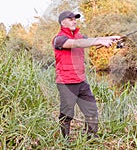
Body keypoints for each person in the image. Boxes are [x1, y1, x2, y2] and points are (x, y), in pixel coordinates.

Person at [52, 10, 121, 139]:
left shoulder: (80, 36)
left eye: (75, 19)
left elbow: (89, 40)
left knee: (91, 110)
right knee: (67, 114)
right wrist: (97, 42)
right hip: (66, 83)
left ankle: (90, 137)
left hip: (81, 81)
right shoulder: (59, 39)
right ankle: (64, 141)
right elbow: (76, 43)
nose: (74, 21)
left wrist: (109, 39)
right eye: (70, 19)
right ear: (62, 22)